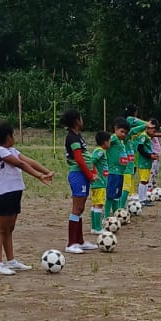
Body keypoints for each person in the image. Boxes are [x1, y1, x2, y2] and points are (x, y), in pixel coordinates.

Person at [0, 121, 52, 275]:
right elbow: (21, 164)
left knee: (9, 229)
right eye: (13, 134)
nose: (15, 137)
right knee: (0, 229)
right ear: (7, 137)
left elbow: (28, 161)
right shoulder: (0, 151)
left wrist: (46, 171)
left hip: (14, 193)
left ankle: (11, 261)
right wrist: (39, 176)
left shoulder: (10, 150)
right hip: (4, 194)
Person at [62, 109, 99, 254]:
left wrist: (92, 171)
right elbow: (79, 158)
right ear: (77, 121)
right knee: (77, 209)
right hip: (78, 175)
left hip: (82, 174)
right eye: (81, 118)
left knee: (80, 209)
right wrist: (89, 175)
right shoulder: (72, 138)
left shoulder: (77, 136)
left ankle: (80, 241)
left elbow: (85, 156)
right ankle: (71, 243)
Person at [104, 119, 130, 216]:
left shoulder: (121, 142)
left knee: (117, 196)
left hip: (120, 173)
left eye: (126, 133)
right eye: (122, 131)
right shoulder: (114, 138)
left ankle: (116, 215)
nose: (124, 134)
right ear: (115, 129)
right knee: (110, 196)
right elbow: (104, 144)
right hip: (113, 172)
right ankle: (106, 216)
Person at [88, 131, 110, 238]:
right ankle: (98, 228)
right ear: (105, 142)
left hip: (97, 183)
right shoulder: (100, 151)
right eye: (109, 141)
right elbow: (91, 161)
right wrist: (93, 174)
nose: (110, 143)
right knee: (99, 204)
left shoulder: (99, 150)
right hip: (99, 183)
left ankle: (94, 227)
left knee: (95, 204)